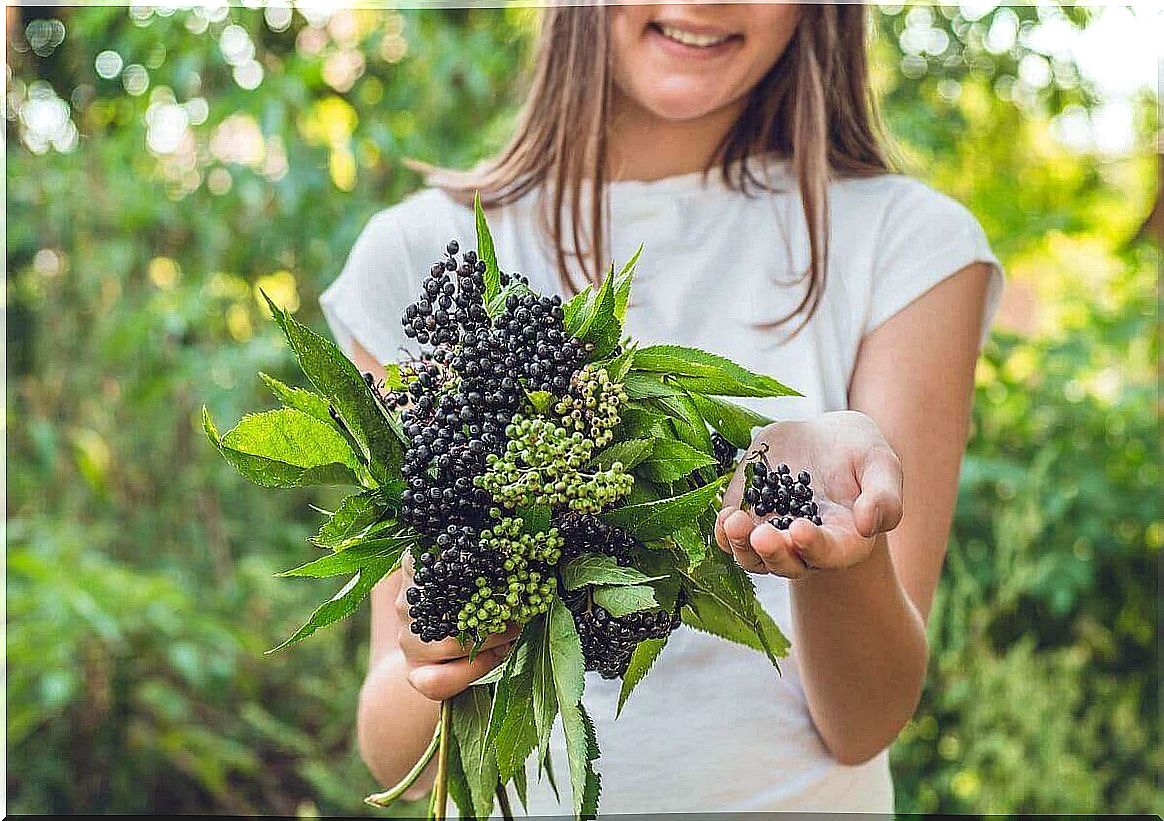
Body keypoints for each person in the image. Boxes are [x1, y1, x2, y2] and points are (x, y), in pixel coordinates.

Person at [320, 3, 1002, 814]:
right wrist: (453, 643)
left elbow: (866, 720)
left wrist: (835, 544)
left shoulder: (908, 245)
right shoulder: (423, 257)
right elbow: (395, 752)